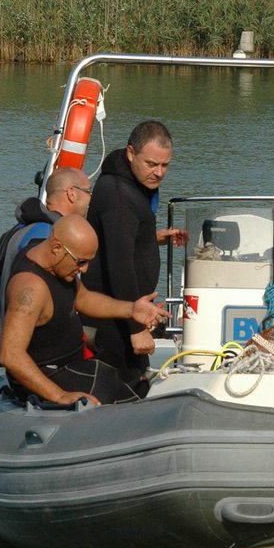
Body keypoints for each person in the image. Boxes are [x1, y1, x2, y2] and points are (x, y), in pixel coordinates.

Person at [0, 215, 168, 406]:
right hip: (50, 375)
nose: (84, 270)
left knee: (125, 369)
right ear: (56, 248)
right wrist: (59, 395)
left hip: (73, 364)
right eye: (80, 262)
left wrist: (131, 309)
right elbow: (10, 354)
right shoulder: (30, 289)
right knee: (110, 387)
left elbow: (83, 298)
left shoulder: (53, 259)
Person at [0, 167, 94, 363]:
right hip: (34, 355)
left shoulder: (20, 229)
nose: (91, 200)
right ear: (71, 193)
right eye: (88, 192)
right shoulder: (47, 239)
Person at [84, 120, 187, 383]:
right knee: (123, 385)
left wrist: (150, 239)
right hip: (115, 317)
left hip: (129, 309)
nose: (159, 173)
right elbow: (119, 264)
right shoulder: (120, 195)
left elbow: (119, 238)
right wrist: (136, 326)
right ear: (131, 153)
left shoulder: (133, 183)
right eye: (151, 164)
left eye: (165, 165)